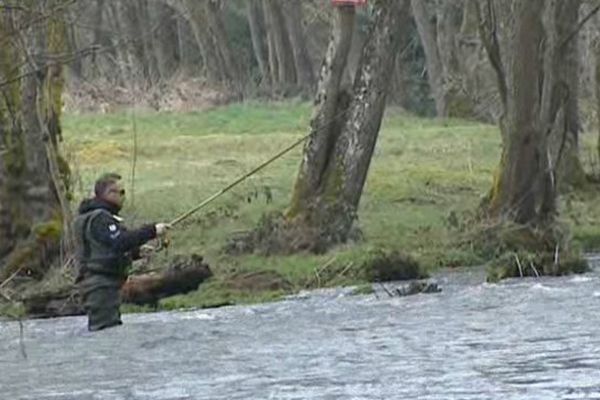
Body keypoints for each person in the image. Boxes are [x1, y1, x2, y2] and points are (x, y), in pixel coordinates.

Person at [74, 173, 170, 331]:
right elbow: (119, 242)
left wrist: (136, 253)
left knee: (108, 333)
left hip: (99, 284)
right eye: (121, 192)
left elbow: (103, 248)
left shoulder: (89, 217)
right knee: (106, 334)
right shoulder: (100, 218)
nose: (124, 197)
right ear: (109, 193)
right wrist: (152, 230)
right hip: (100, 287)